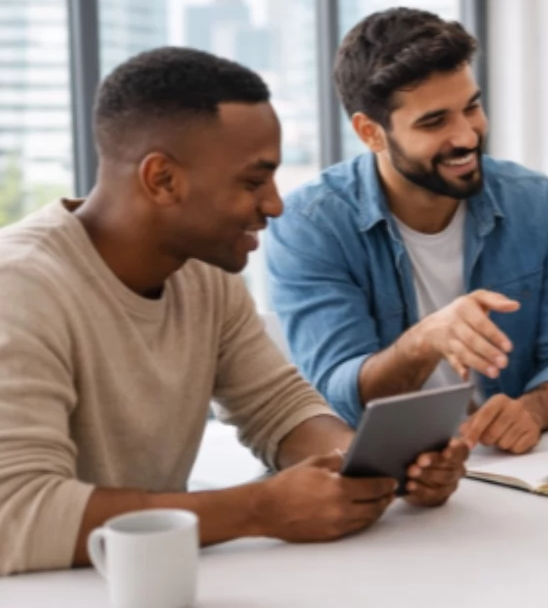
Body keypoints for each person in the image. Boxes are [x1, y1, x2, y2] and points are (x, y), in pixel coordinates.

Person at [0, 48, 468, 577]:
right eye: (252, 182)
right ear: (162, 180)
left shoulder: (204, 273)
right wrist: (256, 509)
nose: (274, 205)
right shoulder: (18, 287)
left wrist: (367, 465)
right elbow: (15, 515)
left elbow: (278, 407)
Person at [265, 8, 548, 455]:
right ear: (371, 133)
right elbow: (337, 395)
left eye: (471, 107)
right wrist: (425, 341)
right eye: (434, 122)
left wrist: (531, 410)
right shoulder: (311, 223)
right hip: (392, 472)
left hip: (517, 467)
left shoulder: (535, 202)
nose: (467, 136)